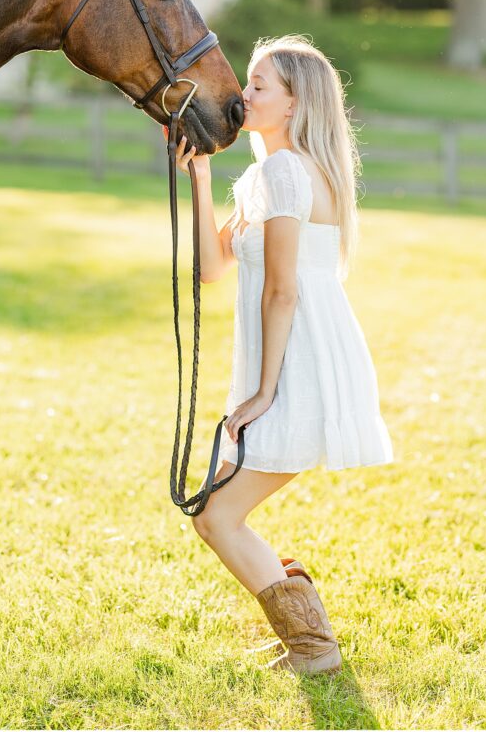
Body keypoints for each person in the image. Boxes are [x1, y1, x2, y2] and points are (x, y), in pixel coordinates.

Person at [164, 34, 394, 676]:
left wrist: (263, 392)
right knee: (216, 513)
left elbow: (282, 289)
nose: (243, 92)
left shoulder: (286, 172)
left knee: (216, 516)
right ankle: (307, 635)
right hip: (296, 359)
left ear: (294, 103)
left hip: (298, 366)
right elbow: (213, 267)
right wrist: (203, 176)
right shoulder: (273, 175)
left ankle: (314, 647)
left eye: (259, 85)